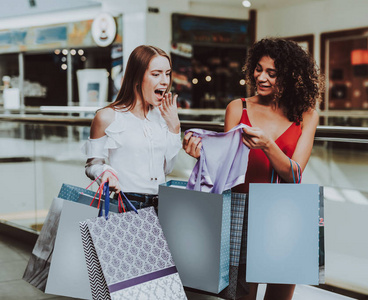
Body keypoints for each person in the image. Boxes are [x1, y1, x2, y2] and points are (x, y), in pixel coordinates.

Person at [183, 38, 321, 300]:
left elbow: (294, 174)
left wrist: (268, 145)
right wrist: (201, 154)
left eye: (272, 72)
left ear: (290, 76)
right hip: (240, 212)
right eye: (258, 69)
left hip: (285, 213)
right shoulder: (238, 108)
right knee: (241, 295)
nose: (262, 77)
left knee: (279, 296)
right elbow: (225, 167)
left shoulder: (307, 114)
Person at [82, 45, 182, 210]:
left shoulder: (162, 117)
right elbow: (92, 165)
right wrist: (106, 172)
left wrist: (174, 127)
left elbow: (167, 169)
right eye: (156, 74)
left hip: (163, 205)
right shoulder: (107, 117)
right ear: (137, 77)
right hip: (127, 204)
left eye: (168, 73)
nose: (165, 81)